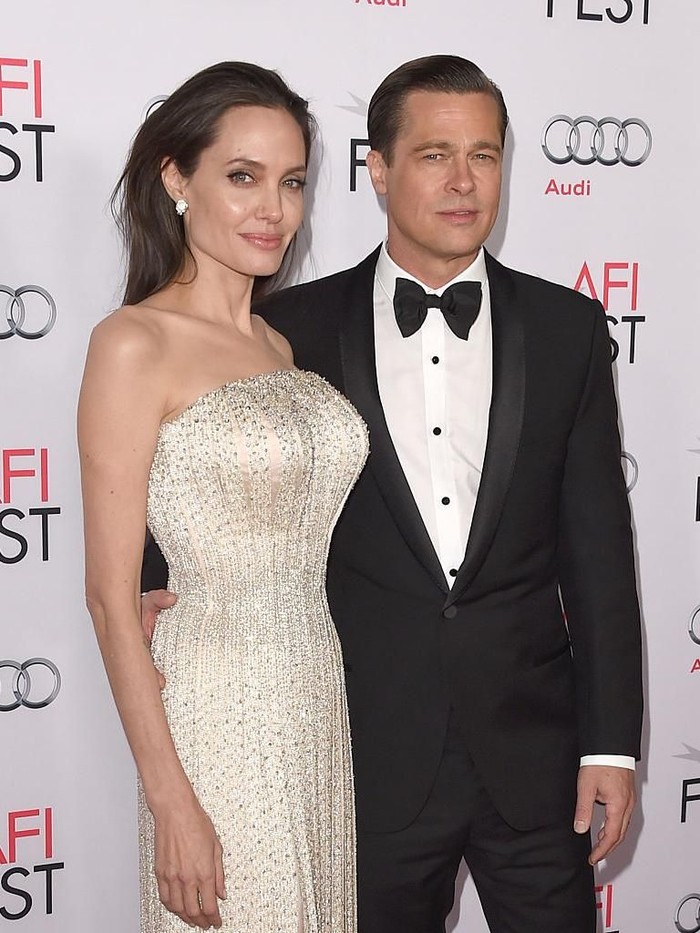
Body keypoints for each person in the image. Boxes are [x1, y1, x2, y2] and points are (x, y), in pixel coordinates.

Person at [143, 55, 643, 933]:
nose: (463, 182)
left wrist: (610, 743)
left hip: (537, 763)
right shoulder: (286, 329)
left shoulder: (568, 329)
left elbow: (599, 552)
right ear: (376, 169)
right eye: (434, 155)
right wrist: (160, 575)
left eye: (484, 156)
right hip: (361, 752)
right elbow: (205, 460)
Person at [79, 61, 366, 933]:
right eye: (241, 177)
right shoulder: (135, 342)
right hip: (213, 710)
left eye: (291, 182)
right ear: (177, 178)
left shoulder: (281, 346)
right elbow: (107, 593)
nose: (272, 209)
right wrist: (171, 802)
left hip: (314, 695)